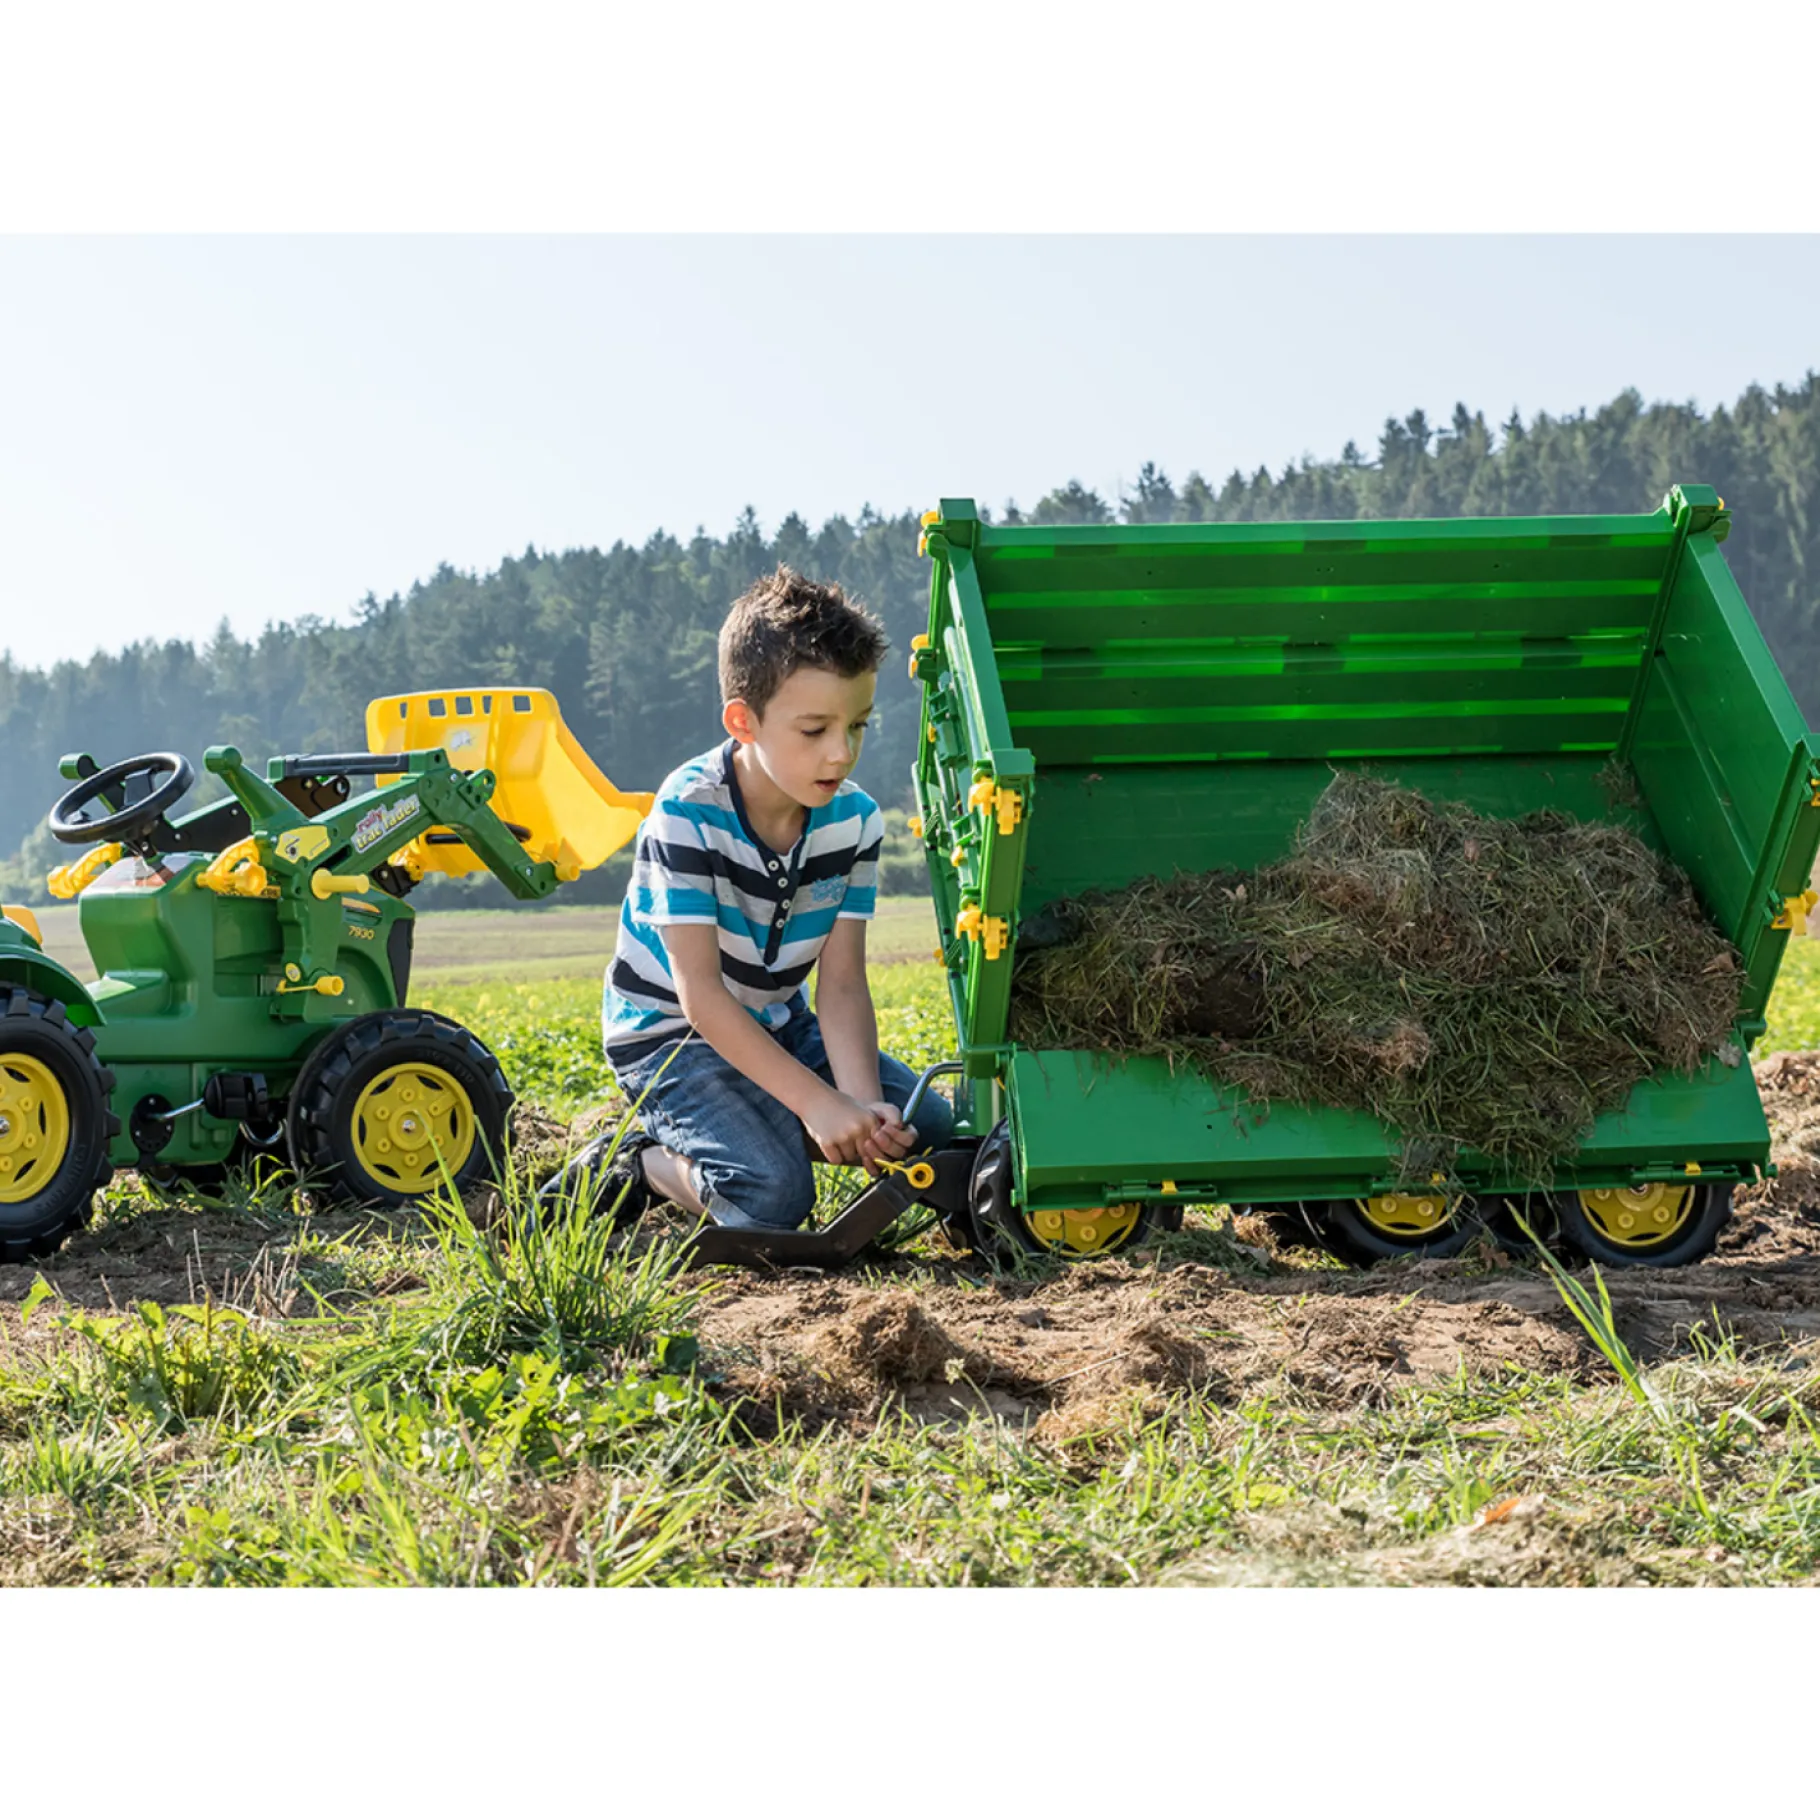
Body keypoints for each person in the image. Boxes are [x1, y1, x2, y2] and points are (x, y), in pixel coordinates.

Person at [541, 564, 955, 1228]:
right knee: (771, 1197)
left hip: (779, 1026)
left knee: (933, 1131)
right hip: (670, 1039)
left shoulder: (855, 821)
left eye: (858, 726)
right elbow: (700, 996)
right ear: (743, 721)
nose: (841, 753)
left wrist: (859, 1106)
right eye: (814, 730)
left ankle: (761, 1127)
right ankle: (637, 1167)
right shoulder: (686, 812)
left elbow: (841, 986)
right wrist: (817, 1105)